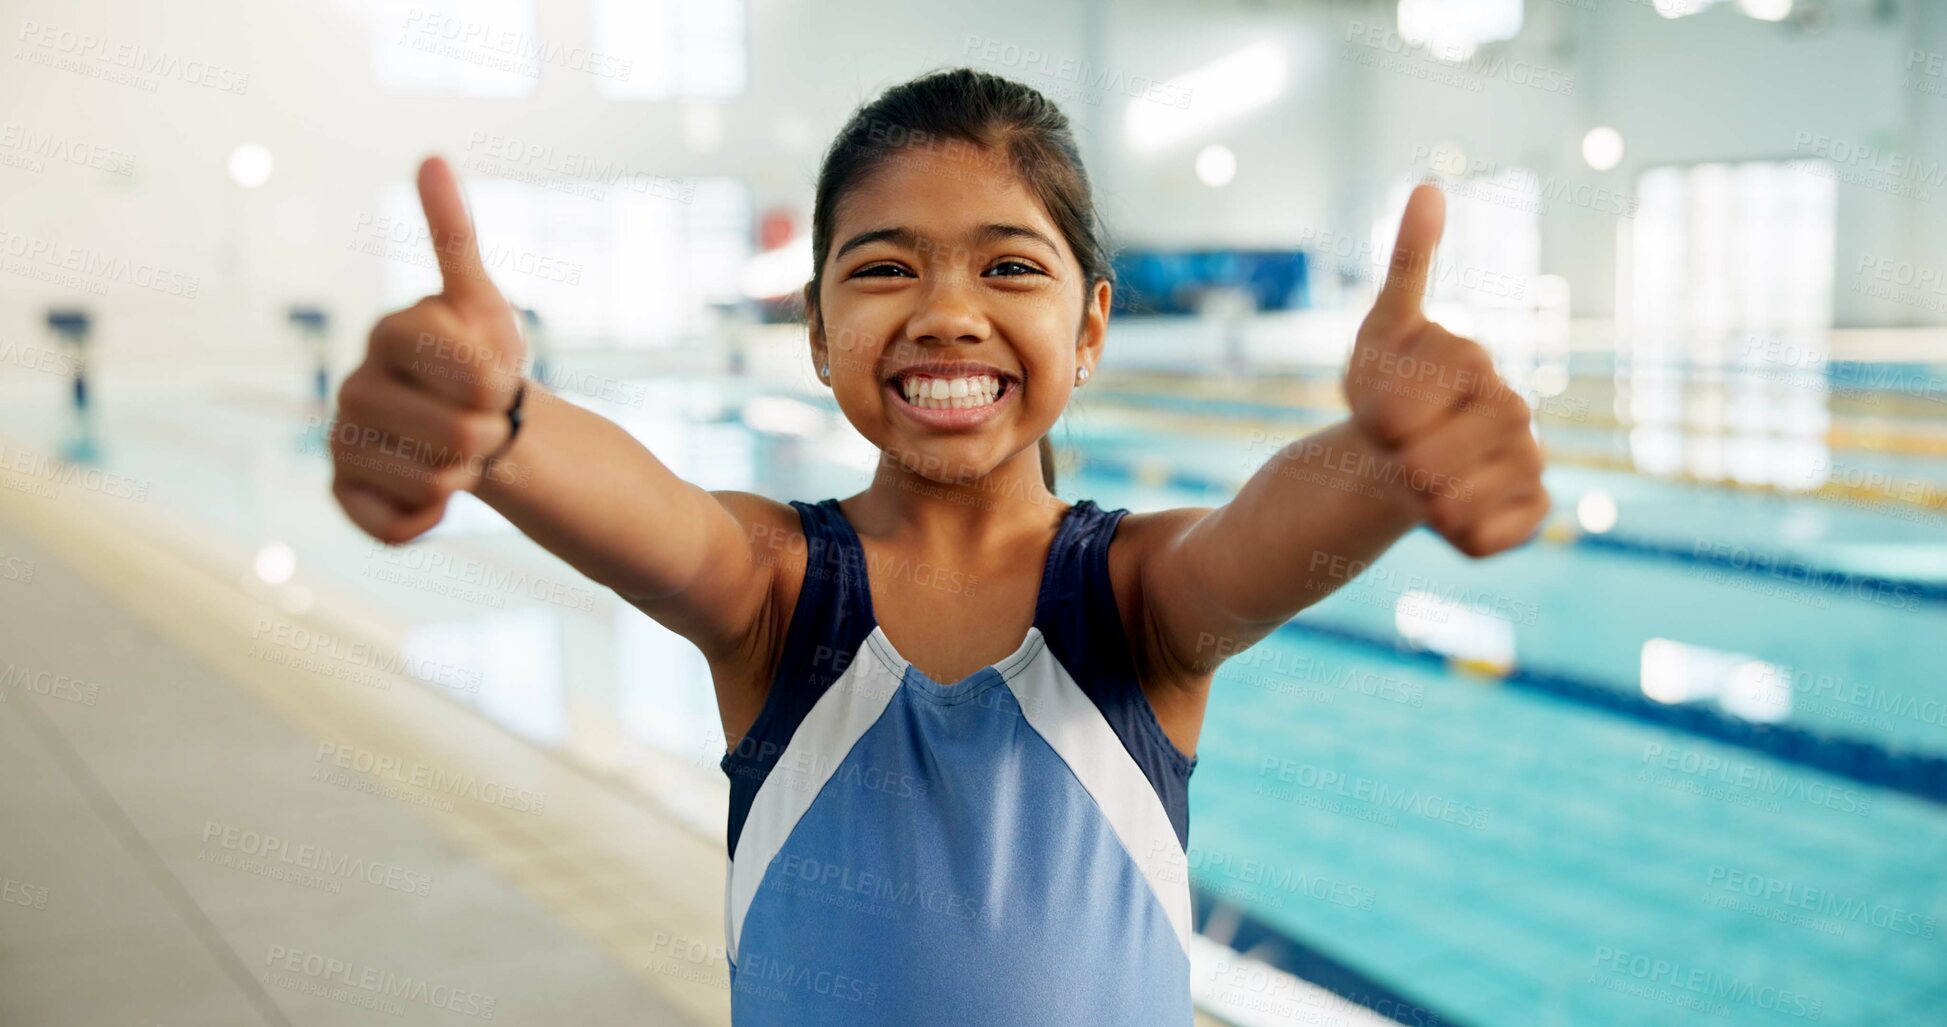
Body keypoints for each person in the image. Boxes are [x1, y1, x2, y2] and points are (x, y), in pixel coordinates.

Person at [329, 68, 1547, 1027]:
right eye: (885, 267)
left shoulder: (1131, 602)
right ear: (818, 331)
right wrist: (497, 424)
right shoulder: (779, 594)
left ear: (1091, 326)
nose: (948, 310)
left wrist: (1388, 463)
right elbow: (645, 506)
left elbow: (1259, 542)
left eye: (1010, 266)